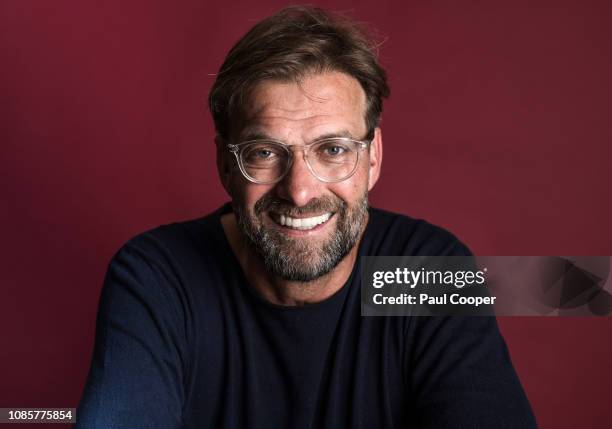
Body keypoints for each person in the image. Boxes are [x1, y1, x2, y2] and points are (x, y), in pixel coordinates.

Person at [76, 6, 536, 428]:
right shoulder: (161, 279)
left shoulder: (427, 274)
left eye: (333, 150)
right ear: (224, 164)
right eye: (263, 152)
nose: (298, 191)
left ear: (372, 158)